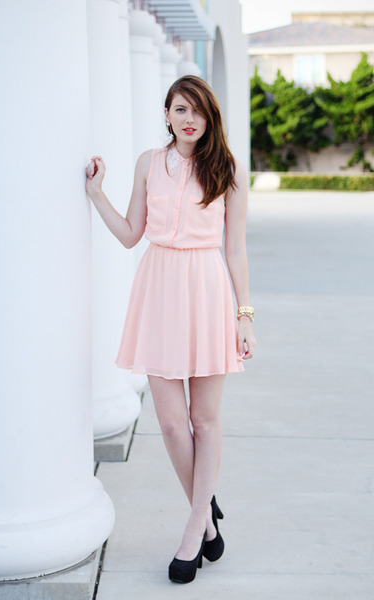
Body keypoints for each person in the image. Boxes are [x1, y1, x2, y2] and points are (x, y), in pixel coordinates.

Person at [86, 75, 256, 584]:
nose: (189, 119)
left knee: (204, 420)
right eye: (180, 109)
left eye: (198, 111)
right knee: (171, 424)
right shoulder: (147, 164)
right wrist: (97, 195)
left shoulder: (228, 170)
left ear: (209, 118)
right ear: (166, 114)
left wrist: (245, 316)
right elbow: (131, 234)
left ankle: (193, 528)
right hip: (158, 287)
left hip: (206, 291)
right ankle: (206, 511)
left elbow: (236, 250)